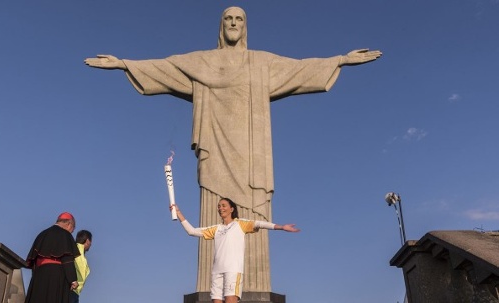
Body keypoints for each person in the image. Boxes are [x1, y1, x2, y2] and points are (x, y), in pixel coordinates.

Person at [85, 6, 381, 292]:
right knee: (215, 217)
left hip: (252, 153)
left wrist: (340, 60)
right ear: (221, 25)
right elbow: (166, 67)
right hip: (214, 146)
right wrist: (124, 63)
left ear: (245, 25)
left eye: (239, 18)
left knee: (249, 218)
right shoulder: (202, 62)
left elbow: (300, 68)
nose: (234, 23)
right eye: (228, 18)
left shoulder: (261, 63)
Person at [171, 198, 299, 303]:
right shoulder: (216, 229)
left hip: (233, 270)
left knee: (230, 300)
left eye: (224, 205)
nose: (220, 208)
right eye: (219, 206)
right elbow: (192, 231)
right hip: (217, 271)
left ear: (231, 209)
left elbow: (260, 224)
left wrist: (281, 227)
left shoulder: (240, 224)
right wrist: (178, 212)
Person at [25, 212, 81, 303]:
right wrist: (73, 279)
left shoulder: (42, 234)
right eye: (73, 228)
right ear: (69, 224)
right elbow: (67, 258)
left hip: (39, 276)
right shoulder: (65, 235)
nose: (72, 231)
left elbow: (33, 261)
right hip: (56, 276)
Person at [70, 230, 92, 303]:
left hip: (76, 292)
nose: (91, 244)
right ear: (88, 241)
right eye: (91, 242)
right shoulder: (75, 250)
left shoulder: (81, 254)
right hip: (70, 290)